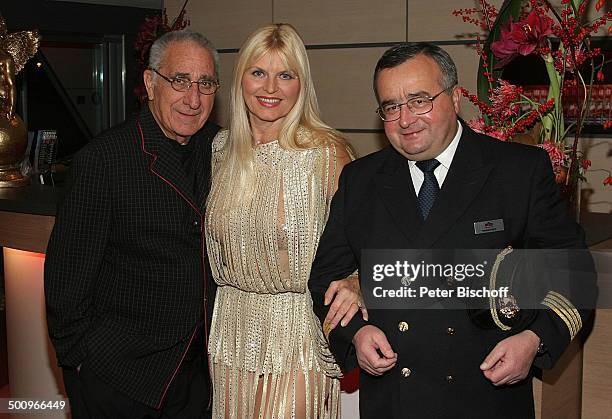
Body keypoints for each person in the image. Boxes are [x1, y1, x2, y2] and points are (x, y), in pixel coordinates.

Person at [309, 42, 595, 418]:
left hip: (486, 397)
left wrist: (534, 339)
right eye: (391, 107)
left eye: (419, 100)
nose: (405, 119)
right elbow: (325, 279)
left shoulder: (516, 172)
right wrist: (356, 336)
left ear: (455, 98)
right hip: (394, 399)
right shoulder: (361, 181)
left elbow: (576, 274)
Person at [45, 30, 221, 418]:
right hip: (120, 377)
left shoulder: (223, 151)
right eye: (179, 81)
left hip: (200, 379)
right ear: (150, 83)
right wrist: (83, 365)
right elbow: (65, 283)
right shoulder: (105, 160)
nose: (193, 99)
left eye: (205, 83)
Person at [205, 23, 363, 418]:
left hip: (297, 330)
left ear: (301, 84)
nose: (270, 87)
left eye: (285, 75)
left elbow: (367, 239)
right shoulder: (220, 149)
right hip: (231, 329)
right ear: (240, 79)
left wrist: (359, 282)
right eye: (259, 72)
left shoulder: (327, 154)